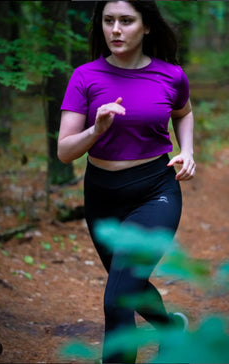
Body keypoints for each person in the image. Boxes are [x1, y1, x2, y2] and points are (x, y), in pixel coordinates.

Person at [57, 1, 195, 362]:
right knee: (127, 285)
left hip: (155, 191)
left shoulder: (171, 75)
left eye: (126, 21)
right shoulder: (85, 77)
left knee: (116, 297)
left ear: (146, 27)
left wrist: (188, 150)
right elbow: (65, 152)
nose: (115, 29)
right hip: (101, 195)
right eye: (108, 21)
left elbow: (184, 113)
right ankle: (169, 327)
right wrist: (96, 129)